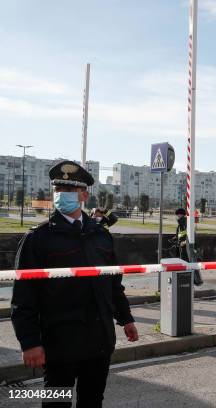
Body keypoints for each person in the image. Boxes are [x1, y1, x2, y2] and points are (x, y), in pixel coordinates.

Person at [11, 160, 138, 408]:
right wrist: (30, 342)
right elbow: (24, 296)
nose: (62, 196)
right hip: (59, 345)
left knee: (92, 401)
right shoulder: (38, 239)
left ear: (83, 195)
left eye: (69, 191)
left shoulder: (100, 235)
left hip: (98, 342)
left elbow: (113, 284)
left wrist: (127, 319)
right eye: (58, 190)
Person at [174, 208, 203, 286]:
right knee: (187, 265)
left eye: (177, 215)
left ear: (180, 214)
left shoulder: (185, 222)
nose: (176, 216)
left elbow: (190, 234)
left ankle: (193, 281)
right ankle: (190, 281)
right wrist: (176, 239)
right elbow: (181, 234)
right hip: (182, 248)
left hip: (186, 248)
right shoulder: (181, 224)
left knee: (188, 264)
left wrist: (184, 242)